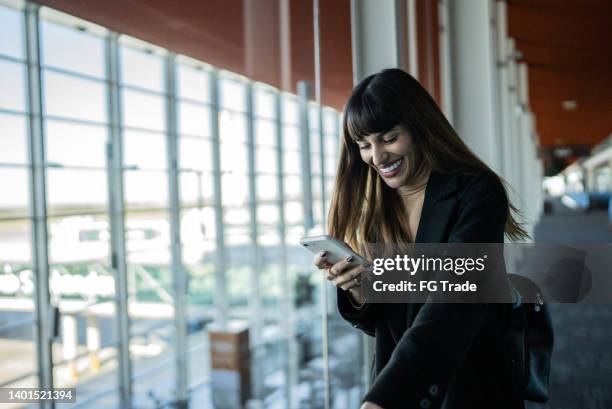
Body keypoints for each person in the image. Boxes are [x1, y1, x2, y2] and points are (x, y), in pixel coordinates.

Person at [313, 68, 528, 409]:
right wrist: (356, 287)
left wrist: (387, 397)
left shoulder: (475, 193)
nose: (377, 157)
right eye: (364, 145)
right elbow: (388, 324)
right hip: (401, 385)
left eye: (388, 137)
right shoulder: (377, 210)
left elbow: (454, 302)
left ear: (419, 126)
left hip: (469, 386)